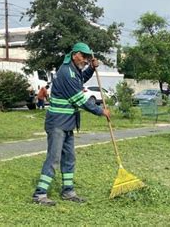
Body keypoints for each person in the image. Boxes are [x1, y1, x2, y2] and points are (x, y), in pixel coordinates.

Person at [32, 42, 111, 206]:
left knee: (69, 158)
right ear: (75, 54)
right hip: (58, 123)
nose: (86, 60)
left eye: (88, 57)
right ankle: (39, 195)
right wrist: (100, 111)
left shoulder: (74, 71)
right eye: (84, 57)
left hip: (68, 123)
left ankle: (68, 191)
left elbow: (81, 79)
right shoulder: (67, 72)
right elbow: (79, 99)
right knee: (54, 158)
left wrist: (91, 69)